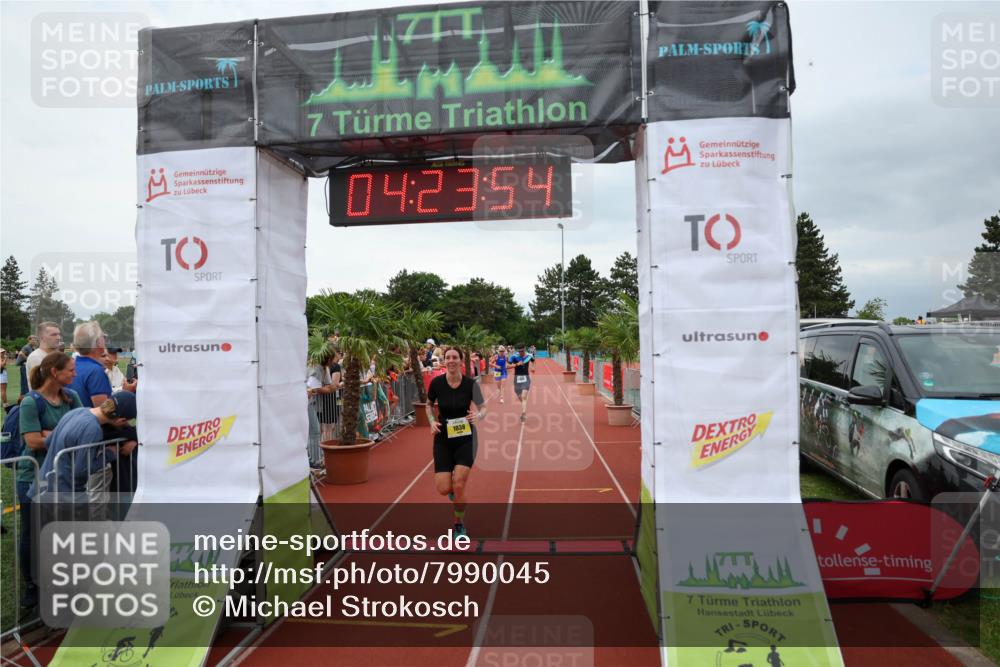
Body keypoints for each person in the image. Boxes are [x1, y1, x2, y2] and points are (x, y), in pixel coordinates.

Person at [16, 351, 82, 610]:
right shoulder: (31, 402)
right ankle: (32, 587)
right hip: (32, 479)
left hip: (62, 478)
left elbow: (84, 429)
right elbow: (32, 441)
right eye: (70, 370)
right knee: (32, 534)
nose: (75, 374)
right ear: (55, 372)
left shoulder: (72, 397)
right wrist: (63, 434)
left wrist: (50, 434)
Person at [31, 391, 136, 502]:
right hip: (64, 496)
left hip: (42, 487)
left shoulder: (78, 411)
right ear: (121, 420)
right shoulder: (93, 429)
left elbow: (48, 442)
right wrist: (109, 453)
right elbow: (81, 471)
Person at [426, 347, 485, 538]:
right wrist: (431, 421)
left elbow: (483, 408)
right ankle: (455, 494)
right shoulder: (436, 383)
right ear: (444, 361)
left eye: (455, 357)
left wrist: (478, 415)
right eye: (448, 357)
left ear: (460, 361)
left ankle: (458, 524)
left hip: (466, 438)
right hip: (443, 439)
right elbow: (428, 405)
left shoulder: (470, 384)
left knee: (459, 485)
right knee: (444, 488)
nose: (451, 360)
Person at [67, 321, 112, 407]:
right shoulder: (96, 371)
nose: (105, 340)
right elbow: (103, 411)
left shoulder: (72, 365)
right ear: (98, 342)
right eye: (103, 337)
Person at [25, 323, 62, 389]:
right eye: (54, 335)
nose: (58, 338)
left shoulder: (57, 355)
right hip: (43, 399)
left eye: (59, 334)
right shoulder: (36, 357)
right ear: (42, 338)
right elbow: (44, 386)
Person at [509, 344, 534, 422]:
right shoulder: (514, 356)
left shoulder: (529, 355)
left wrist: (533, 367)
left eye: (522, 351)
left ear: (525, 349)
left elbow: (533, 361)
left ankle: (523, 413)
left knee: (523, 396)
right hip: (517, 378)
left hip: (526, 378)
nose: (521, 353)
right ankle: (524, 404)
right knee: (520, 397)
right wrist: (516, 364)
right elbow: (507, 366)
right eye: (519, 351)